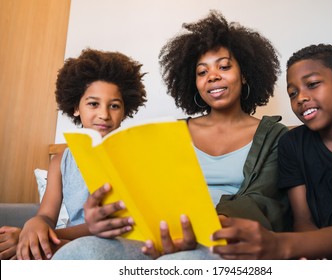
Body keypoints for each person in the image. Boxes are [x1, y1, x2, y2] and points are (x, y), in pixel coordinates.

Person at [52, 10, 291, 260]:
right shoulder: (170, 133)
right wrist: (103, 219)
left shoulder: (274, 136)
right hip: (160, 236)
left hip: (224, 237)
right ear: (193, 82)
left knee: (183, 262)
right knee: (80, 253)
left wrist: (205, 223)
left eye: (224, 66)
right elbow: (143, 194)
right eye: (202, 72)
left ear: (244, 74)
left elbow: (265, 200)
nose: (213, 76)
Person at [209, 44, 332, 259]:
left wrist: (281, 245)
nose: (300, 98)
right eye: (292, 93)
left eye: (312, 84)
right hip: (316, 252)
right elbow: (303, 221)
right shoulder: (291, 144)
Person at [13, 48, 146, 260]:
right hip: (70, 244)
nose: (104, 114)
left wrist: (46, 236)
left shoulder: (135, 155)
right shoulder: (62, 160)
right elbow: (47, 215)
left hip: (118, 245)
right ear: (76, 107)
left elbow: (120, 224)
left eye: (114, 106)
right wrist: (34, 224)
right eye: (93, 104)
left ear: (125, 110)